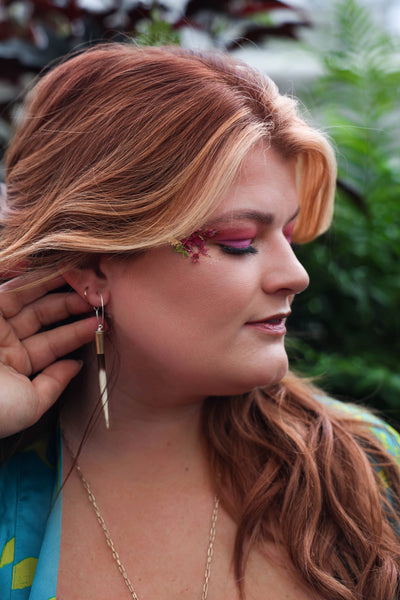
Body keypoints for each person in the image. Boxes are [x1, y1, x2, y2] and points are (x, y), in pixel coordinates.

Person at [0, 43, 398, 600]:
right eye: (239, 242)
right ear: (91, 265)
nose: (296, 275)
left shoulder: (371, 472)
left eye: (287, 234)